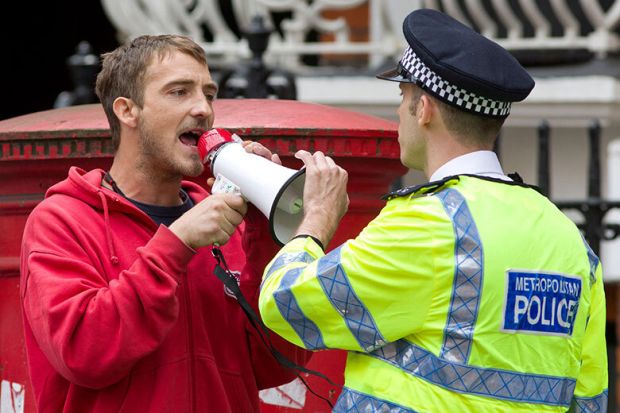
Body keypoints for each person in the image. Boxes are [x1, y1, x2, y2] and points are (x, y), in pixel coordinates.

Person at [258, 8, 607, 413]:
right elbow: (590, 396)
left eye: (402, 97)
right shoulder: (569, 240)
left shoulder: (429, 224)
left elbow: (287, 304)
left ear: (423, 109)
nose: (399, 112)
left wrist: (315, 217)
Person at [20, 34, 310, 412]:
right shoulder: (61, 222)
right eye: (179, 92)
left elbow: (274, 366)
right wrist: (176, 245)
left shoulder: (226, 224)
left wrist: (264, 237)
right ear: (127, 110)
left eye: (209, 93)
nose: (203, 108)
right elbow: (83, 352)